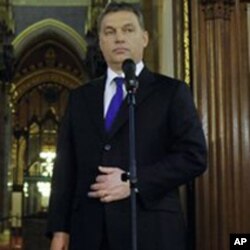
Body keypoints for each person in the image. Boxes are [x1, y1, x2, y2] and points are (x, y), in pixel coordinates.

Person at [46, 2, 207, 250]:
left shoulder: (171, 92)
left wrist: (134, 181)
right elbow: (65, 168)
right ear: (100, 42)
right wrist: (60, 229)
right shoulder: (80, 98)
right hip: (89, 233)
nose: (119, 37)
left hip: (151, 231)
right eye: (109, 32)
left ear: (144, 38)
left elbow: (194, 156)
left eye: (128, 29)